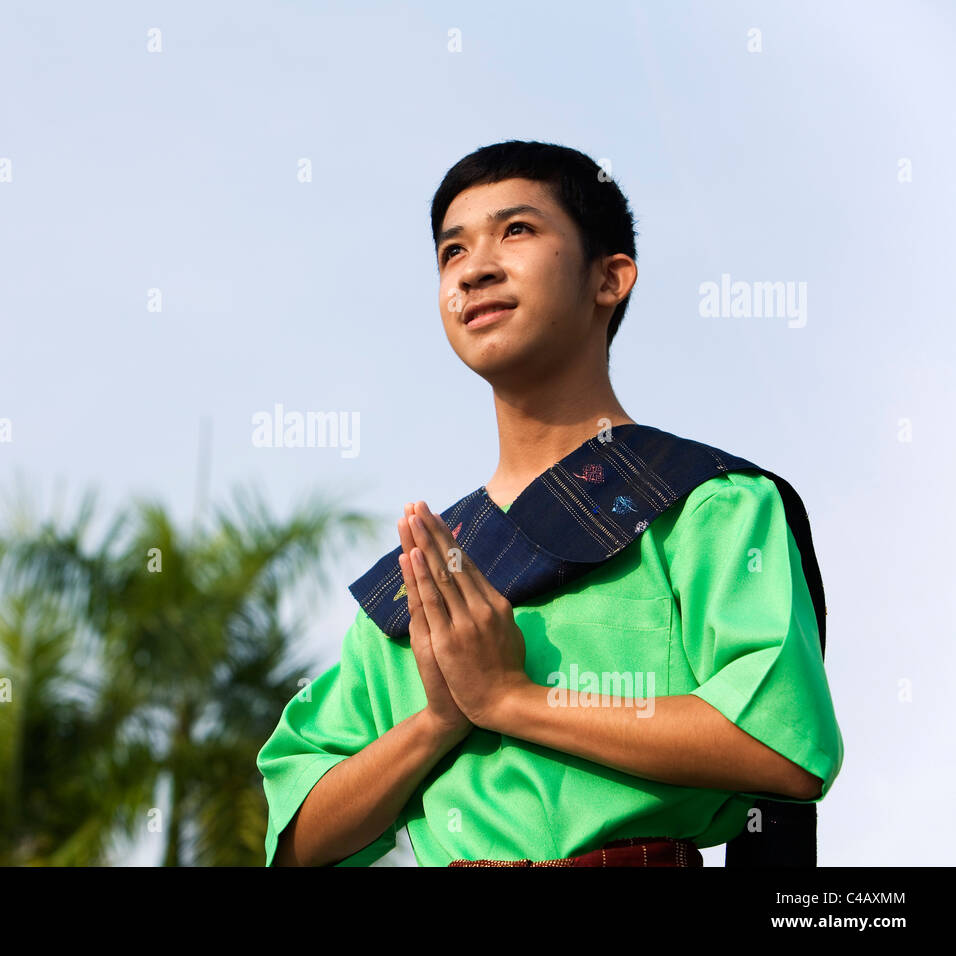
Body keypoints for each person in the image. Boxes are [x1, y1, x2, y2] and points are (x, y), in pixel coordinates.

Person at [256, 141, 844, 867]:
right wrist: (440, 718)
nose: (474, 268)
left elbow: (782, 745)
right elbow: (296, 842)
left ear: (610, 279)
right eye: (451, 250)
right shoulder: (426, 583)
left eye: (517, 231)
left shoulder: (706, 506)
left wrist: (511, 699)